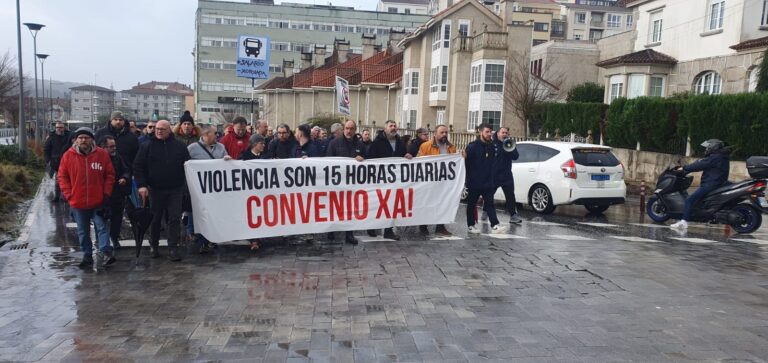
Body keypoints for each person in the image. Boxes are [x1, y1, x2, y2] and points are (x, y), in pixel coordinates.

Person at [133, 120, 191, 261]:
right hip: (154, 189)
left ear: (169, 130)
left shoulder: (180, 146)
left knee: (174, 218)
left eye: (162, 129)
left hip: (175, 189)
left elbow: (188, 164)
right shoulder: (146, 146)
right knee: (155, 219)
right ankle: (154, 245)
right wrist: (142, 185)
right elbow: (138, 166)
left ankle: (173, 247)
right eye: (157, 128)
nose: (158, 131)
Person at [58, 127, 116, 268]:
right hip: (78, 202)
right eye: (81, 138)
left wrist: (106, 193)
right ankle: (87, 255)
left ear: (92, 140)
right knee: (83, 231)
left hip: (98, 201)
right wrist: (69, 194)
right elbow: (62, 177)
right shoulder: (68, 156)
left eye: (87, 137)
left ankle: (106, 252)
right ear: (76, 140)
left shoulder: (102, 155)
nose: (83, 140)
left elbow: (110, 174)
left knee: (102, 227)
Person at [365, 120, 413, 240]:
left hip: (394, 180)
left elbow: (403, 155)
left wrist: (407, 156)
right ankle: (372, 226)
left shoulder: (400, 142)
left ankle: (388, 230)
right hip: (380, 179)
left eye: (395, 126)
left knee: (391, 205)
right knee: (377, 204)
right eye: (390, 126)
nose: (393, 128)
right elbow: (370, 159)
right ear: (385, 129)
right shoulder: (377, 142)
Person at [187, 125, 231, 253]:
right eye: (214, 133)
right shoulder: (192, 148)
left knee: (213, 214)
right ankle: (199, 239)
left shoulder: (221, 147)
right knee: (199, 214)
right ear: (206, 135)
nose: (217, 135)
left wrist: (227, 160)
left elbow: (226, 163)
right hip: (199, 189)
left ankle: (211, 239)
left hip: (216, 189)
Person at [671, 139, 730, 230]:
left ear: (713, 147)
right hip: (718, 182)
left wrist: (684, 168)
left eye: (707, 147)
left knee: (690, 200)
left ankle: (684, 222)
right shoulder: (722, 156)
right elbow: (702, 165)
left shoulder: (714, 157)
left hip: (711, 184)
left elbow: (699, 165)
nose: (706, 149)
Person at [326, 120, 365, 245]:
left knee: (350, 209)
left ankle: (349, 234)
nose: (349, 131)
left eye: (351, 128)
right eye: (347, 128)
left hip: (352, 183)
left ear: (355, 130)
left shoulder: (360, 145)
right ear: (343, 129)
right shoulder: (334, 143)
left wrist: (362, 160)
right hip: (337, 183)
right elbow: (327, 161)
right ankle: (331, 230)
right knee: (335, 207)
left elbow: (368, 162)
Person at [465, 123, 506, 234]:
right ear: (481, 132)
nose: (489, 134)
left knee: (490, 204)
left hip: (487, 182)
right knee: (472, 204)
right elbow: (466, 164)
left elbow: (492, 163)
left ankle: (495, 225)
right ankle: (471, 225)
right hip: (474, 182)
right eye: (487, 132)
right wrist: (467, 181)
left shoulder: (491, 146)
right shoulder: (472, 147)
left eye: (490, 132)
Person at [417, 124, 457, 236]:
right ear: (435, 134)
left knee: (443, 203)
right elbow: (418, 162)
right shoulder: (425, 146)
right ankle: (423, 226)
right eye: (442, 132)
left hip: (444, 181)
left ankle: (440, 226)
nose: (444, 134)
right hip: (428, 181)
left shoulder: (451, 147)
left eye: (446, 132)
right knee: (427, 202)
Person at [98, 135, 132, 250]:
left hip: (118, 193)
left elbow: (126, 170)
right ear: (103, 147)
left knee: (117, 219)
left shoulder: (118, 157)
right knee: (102, 219)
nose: (114, 149)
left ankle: (114, 238)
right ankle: (102, 241)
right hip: (102, 195)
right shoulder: (97, 159)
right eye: (111, 146)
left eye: (115, 146)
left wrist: (125, 178)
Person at [492, 127, 523, 224]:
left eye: (506, 133)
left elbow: (516, 156)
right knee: (488, 195)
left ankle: (513, 215)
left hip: (506, 175)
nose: (505, 134)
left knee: (510, 196)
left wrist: (510, 148)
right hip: (494, 175)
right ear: (498, 134)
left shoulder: (510, 143)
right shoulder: (492, 144)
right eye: (503, 132)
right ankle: (485, 210)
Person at [44, 122, 72, 202]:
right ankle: (57, 196)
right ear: (55, 128)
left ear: (64, 128)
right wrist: (48, 160)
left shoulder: (69, 136)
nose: (59, 129)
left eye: (61, 127)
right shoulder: (51, 137)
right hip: (56, 162)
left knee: (68, 179)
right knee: (58, 180)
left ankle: (67, 196)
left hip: (68, 162)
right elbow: (46, 149)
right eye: (57, 127)